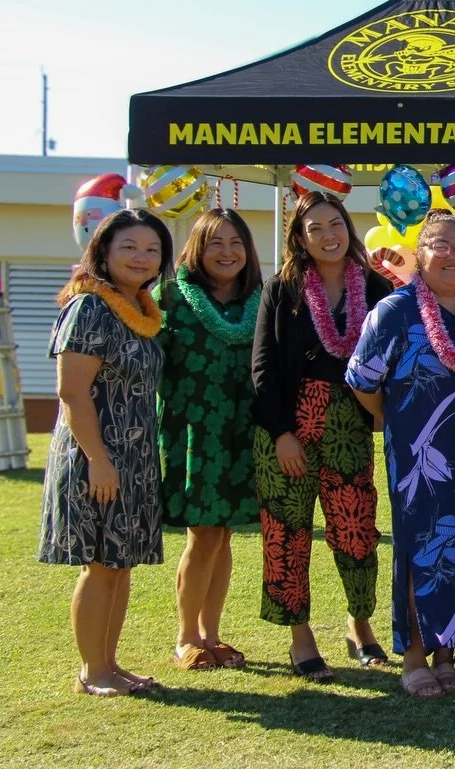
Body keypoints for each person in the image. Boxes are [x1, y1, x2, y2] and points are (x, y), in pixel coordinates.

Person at [347, 211, 455, 699]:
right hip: (422, 459)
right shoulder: (394, 311)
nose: (453, 255)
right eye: (440, 245)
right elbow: (362, 381)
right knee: (422, 549)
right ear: (419, 253)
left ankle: (448, 651)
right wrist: (399, 422)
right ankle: (415, 654)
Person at [251, 190, 393, 681]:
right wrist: (282, 434)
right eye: (315, 229)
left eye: (335, 225)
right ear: (299, 238)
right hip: (288, 427)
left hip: (349, 424)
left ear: (348, 230)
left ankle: (361, 625)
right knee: (287, 535)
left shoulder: (375, 288)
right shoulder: (282, 289)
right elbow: (263, 369)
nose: (328, 236)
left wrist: (382, 412)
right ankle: (300, 636)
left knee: (356, 531)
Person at [40, 208, 173, 696]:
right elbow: (73, 392)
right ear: (103, 251)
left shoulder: (137, 308)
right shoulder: (90, 307)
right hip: (95, 457)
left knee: (119, 563)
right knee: (98, 564)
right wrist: (98, 458)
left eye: (152, 249)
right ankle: (92, 671)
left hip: (133, 458)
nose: (142, 257)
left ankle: (110, 665)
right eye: (129, 247)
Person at [155, 209, 263, 672]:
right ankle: (186, 637)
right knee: (202, 537)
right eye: (216, 242)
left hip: (242, 434)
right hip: (194, 435)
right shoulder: (171, 298)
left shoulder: (261, 299)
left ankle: (213, 635)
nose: (227, 252)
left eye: (236, 242)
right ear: (197, 247)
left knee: (223, 538)